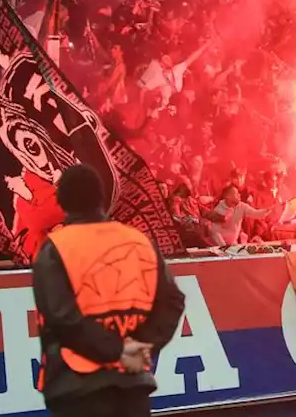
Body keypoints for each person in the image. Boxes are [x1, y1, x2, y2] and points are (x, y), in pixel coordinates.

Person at [32, 164, 186, 417]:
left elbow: (62, 318)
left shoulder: (55, 249)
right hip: (132, 385)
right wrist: (140, 347)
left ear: (61, 201)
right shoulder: (139, 241)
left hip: (77, 388)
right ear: (101, 198)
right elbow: (173, 301)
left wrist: (117, 351)